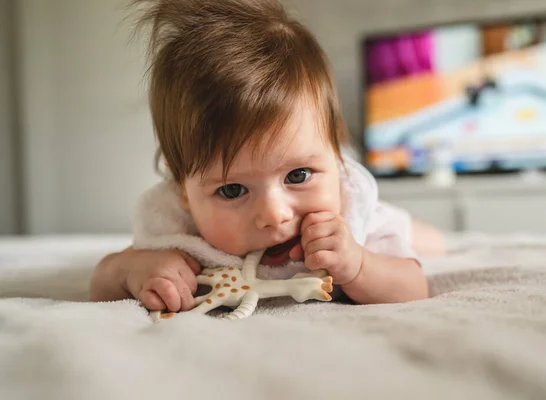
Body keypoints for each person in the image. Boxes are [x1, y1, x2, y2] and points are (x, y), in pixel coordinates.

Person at [89, 0, 446, 313]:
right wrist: (131, 270)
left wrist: (358, 265)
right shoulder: (177, 228)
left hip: (372, 233)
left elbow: (414, 287)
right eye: (232, 190)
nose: (275, 216)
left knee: (420, 239)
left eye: (299, 175)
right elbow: (103, 281)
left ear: (334, 157)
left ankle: (419, 230)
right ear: (183, 190)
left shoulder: (351, 216)